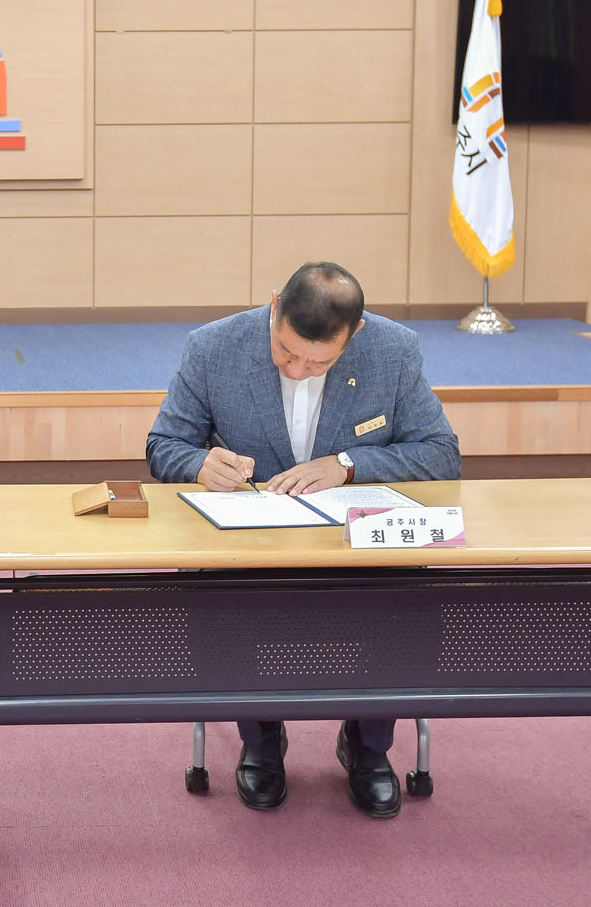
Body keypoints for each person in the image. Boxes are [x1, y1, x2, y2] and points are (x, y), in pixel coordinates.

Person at [146, 261, 460, 819]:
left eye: (318, 362)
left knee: (409, 593)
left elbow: (440, 454)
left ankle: (368, 746)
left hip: (355, 547)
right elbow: (164, 443)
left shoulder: (393, 351)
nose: (297, 370)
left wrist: (348, 464)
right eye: (286, 352)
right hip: (249, 548)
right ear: (274, 308)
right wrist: (198, 465)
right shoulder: (213, 347)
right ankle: (261, 739)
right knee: (216, 594)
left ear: (355, 334)